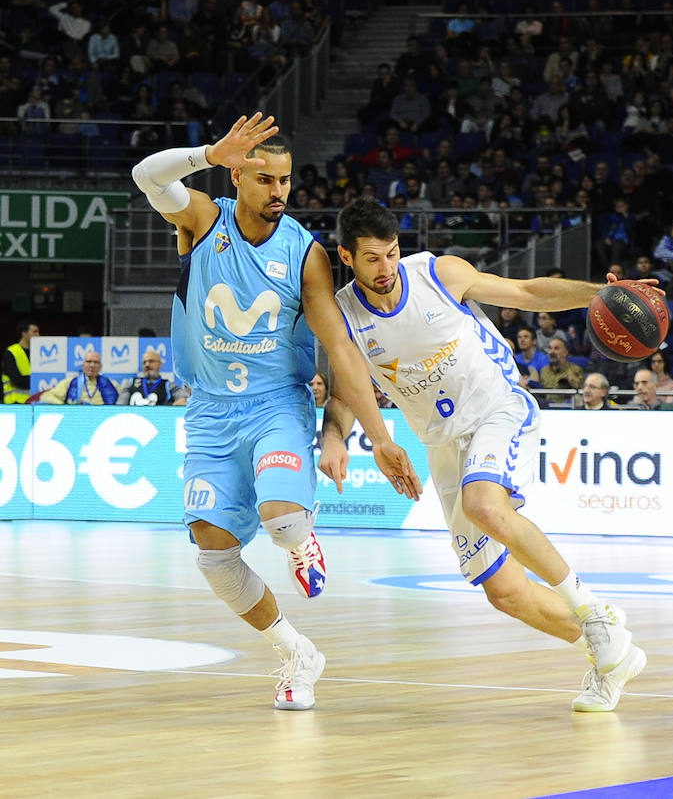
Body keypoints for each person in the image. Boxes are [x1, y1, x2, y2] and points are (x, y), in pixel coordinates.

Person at [131, 114, 420, 712]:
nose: (279, 192)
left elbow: (338, 349)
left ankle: (302, 540)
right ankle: (296, 653)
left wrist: (377, 435)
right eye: (266, 180)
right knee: (212, 554)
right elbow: (145, 175)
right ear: (237, 176)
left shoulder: (306, 254)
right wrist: (208, 151)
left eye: (286, 181)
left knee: (283, 519)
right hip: (210, 411)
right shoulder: (203, 220)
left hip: (274, 406)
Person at [321, 197, 650, 713]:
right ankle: (610, 654)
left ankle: (595, 614)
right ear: (346, 256)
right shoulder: (343, 314)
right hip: (443, 445)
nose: (385, 268)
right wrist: (335, 439)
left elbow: (526, 292)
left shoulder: (438, 274)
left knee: (484, 505)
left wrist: (599, 292)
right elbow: (344, 392)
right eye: (371, 258)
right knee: (505, 592)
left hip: (498, 408)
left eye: (390, 254)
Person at [39, 350, 119, 405]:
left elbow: (124, 402)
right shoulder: (69, 382)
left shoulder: (112, 384)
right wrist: (65, 407)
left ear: (101, 366)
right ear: (83, 365)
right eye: (89, 362)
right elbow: (46, 397)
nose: (92, 365)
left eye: (96, 362)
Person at [117, 349, 189, 406]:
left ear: (160, 364)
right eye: (144, 362)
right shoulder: (130, 382)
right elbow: (120, 405)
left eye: (151, 361)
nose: (147, 365)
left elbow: (184, 398)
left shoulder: (168, 385)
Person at [2, 320, 39, 404]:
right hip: (15, 404)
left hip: (34, 403)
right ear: (24, 333)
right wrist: (39, 380)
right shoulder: (11, 352)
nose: (38, 335)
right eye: (35, 332)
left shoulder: (38, 353)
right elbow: (16, 379)